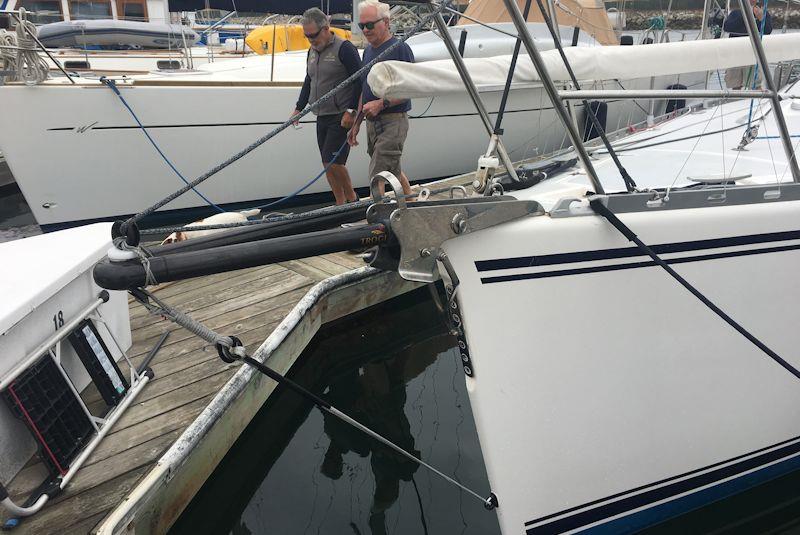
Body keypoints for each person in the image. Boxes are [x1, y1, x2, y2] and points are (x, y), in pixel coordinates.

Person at [292, 8, 360, 205]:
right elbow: (308, 80)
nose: (311, 40)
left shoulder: (344, 48)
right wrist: (298, 108)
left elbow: (359, 80)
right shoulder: (311, 51)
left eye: (313, 35)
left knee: (335, 162)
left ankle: (352, 199)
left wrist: (351, 111)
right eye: (306, 36)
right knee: (326, 163)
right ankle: (339, 203)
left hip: (340, 115)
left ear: (326, 28)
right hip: (321, 114)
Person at [347, 0, 414, 196]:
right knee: (391, 167)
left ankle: (378, 215)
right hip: (371, 121)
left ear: (386, 22)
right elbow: (364, 88)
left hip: (394, 120)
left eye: (370, 25)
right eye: (362, 26)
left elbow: (410, 88)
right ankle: (410, 200)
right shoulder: (367, 51)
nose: (365, 30)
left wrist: (381, 103)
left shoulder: (400, 48)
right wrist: (357, 122)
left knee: (378, 172)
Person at [722, 0, 772, 89]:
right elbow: (727, 27)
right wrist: (746, 14)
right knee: (735, 83)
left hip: (753, 53)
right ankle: (736, 100)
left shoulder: (763, 13)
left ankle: (756, 99)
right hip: (735, 53)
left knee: (755, 84)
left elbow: (767, 31)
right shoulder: (736, 13)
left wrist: (760, 18)